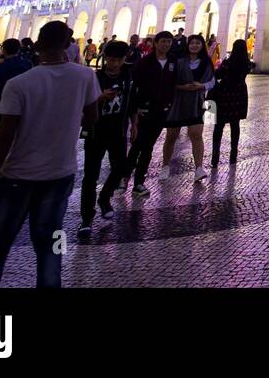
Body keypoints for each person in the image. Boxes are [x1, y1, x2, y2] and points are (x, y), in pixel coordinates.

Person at [0, 20, 99, 288]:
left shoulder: (19, 83)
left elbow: (3, 141)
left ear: (37, 45)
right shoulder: (85, 76)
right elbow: (92, 119)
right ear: (68, 44)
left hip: (17, 175)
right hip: (61, 173)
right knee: (51, 244)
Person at [81, 40, 134, 234]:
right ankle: (86, 217)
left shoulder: (128, 77)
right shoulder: (95, 78)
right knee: (90, 175)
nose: (114, 64)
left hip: (118, 129)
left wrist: (134, 124)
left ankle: (104, 197)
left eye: (118, 60)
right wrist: (99, 97)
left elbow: (132, 101)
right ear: (105, 59)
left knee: (121, 167)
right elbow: (82, 101)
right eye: (111, 60)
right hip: (96, 130)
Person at [122, 31, 178, 197]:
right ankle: (124, 178)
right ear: (156, 43)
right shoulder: (145, 62)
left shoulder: (173, 62)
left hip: (161, 110)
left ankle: (139, 182)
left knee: (148, 147)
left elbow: (174, 84)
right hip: (144, 109)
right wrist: (135, 108)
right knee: (138, 144)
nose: (166, 44)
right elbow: (135, 86)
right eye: (163, 41)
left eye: (169, 41)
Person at [162, 34, 215, 182]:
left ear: (202, 45)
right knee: (171, 135)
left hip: (197, 101)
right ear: (187, 45)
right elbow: (170, 81)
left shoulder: (206, 62)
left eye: (198, 43)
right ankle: (165, 166)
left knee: (196, 134)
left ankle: (199, 168)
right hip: (178, 100)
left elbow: (212, 80)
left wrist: (202, 86)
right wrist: (182, 87)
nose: (194, 45)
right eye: (192, 43)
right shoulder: (179, 61)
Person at [210, 40, 249, 168]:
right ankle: (234, 154)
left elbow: (218, 74)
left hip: (225, 93)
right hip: (239, 94)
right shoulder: (246, 64)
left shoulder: (228, 62)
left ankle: (215, 154)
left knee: (219, 125)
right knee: (235, 124)